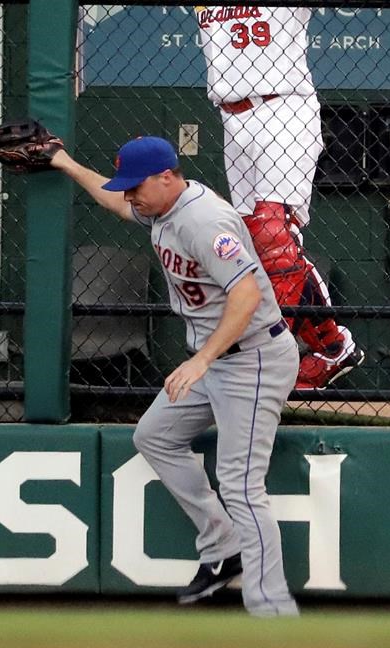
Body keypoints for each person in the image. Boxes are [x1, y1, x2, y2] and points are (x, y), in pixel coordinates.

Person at [48, 135, 299, 616]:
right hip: (216, 358)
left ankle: (274, 612)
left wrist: (201, 360)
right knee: (155, 436)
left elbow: (246, 297)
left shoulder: (206, 221)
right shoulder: (160, 206)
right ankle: (223, 547)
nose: (130, 196)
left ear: (167, 176)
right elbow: (115, 201)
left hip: (252, 360)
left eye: (136, 186)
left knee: (242, 486)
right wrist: (64, 163)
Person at [195, 5, 365, 389]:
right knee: (255, 244)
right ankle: (334, 346)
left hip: (284, 107)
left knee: (275, 236)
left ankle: (262, 358)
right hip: (231, 118)